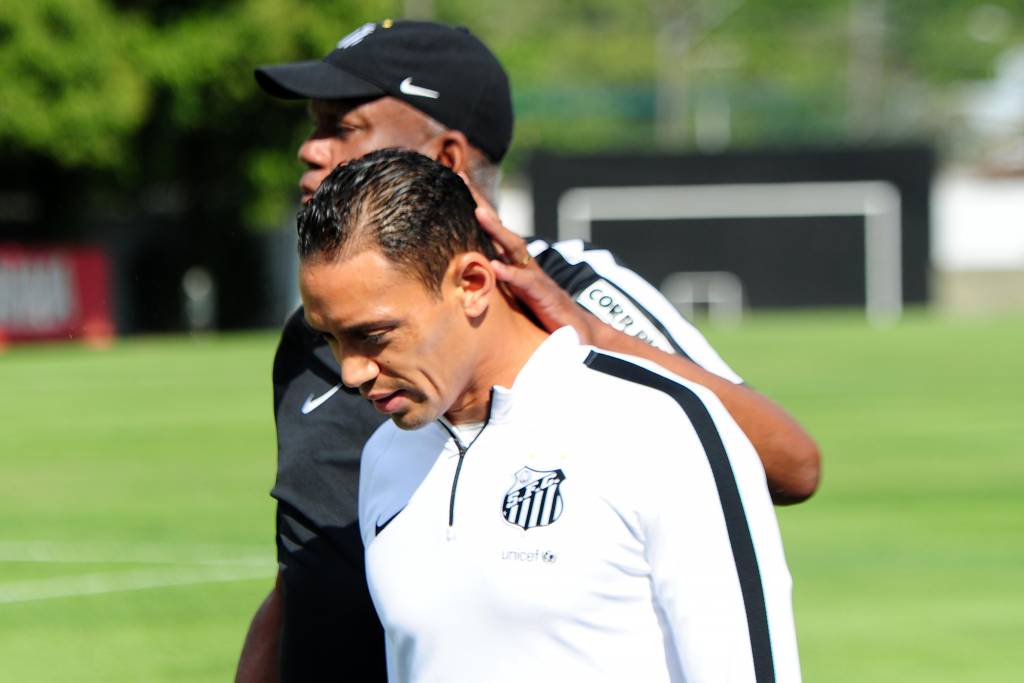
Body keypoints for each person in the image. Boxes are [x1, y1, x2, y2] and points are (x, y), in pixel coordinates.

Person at [237, 19, 819, 682]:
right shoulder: (316, 335)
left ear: (447, 159)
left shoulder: (576, 293)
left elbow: (782, 461)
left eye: (344, 125)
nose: (311, 150)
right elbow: (303, 565)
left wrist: (590, 335)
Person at [299, 148, 802, 682]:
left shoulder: (661, 428)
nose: (351, 372)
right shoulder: (385, 455)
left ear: (471, 285)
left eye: (372, 336)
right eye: (330, 339)